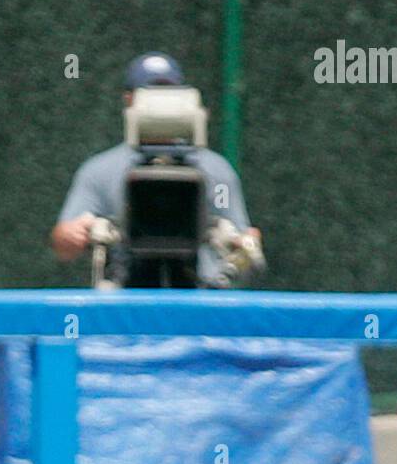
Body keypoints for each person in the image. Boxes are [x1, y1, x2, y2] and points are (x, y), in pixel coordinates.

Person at [51, 51, 262, 287]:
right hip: (126, 295)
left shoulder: (216, 170)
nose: (160, 100)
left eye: (169, 91)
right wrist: (73, 234)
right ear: (128, 99)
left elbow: (244, 243)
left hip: (200, 294)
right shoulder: (99, 170)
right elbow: (64, 244)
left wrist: (242, 246)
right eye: (150, 92)